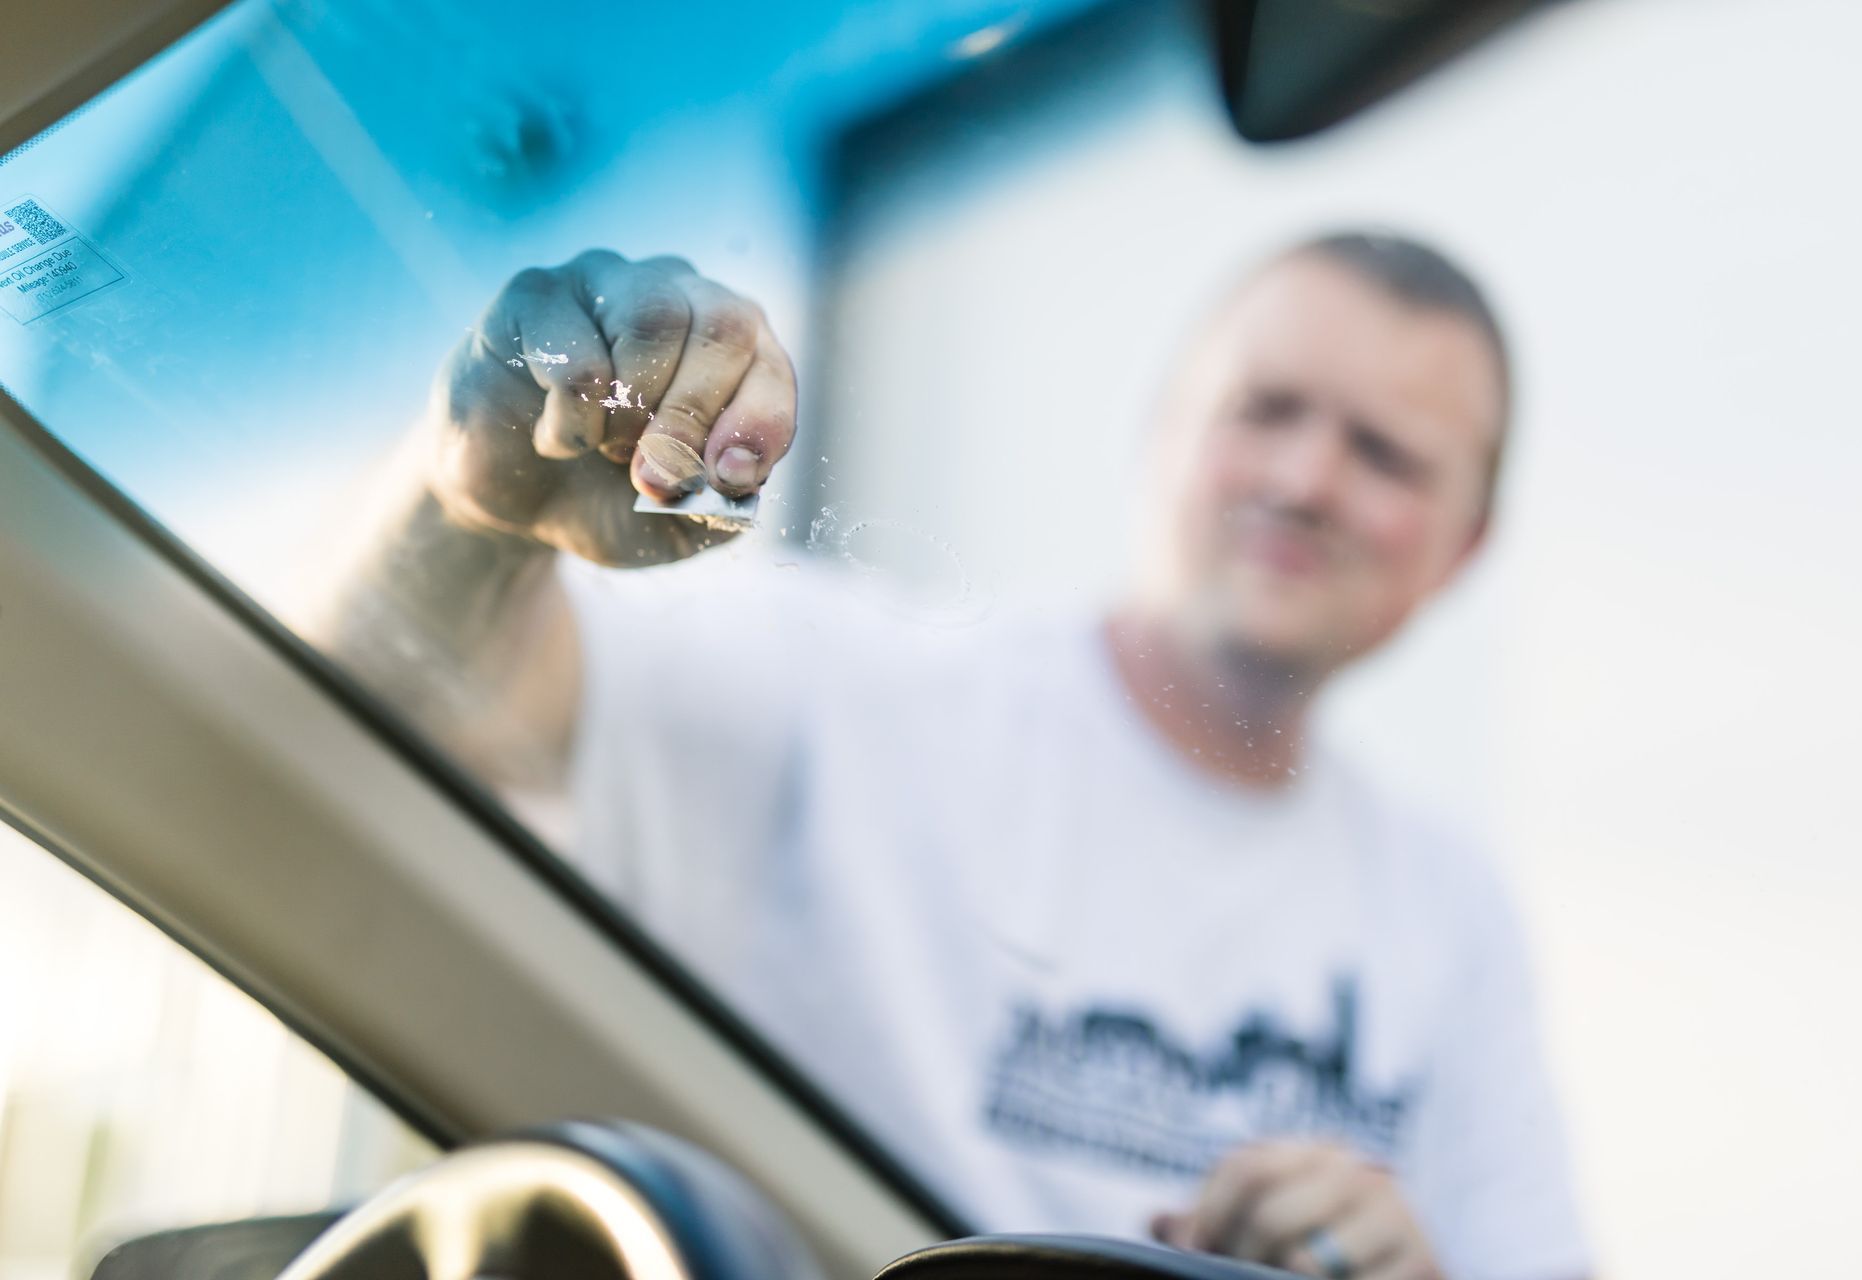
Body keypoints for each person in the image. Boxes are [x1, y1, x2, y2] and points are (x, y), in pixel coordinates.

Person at [313, 233, 1589, 1280]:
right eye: (1266, 410)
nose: (1308, 476)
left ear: (1464, 546)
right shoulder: (835, 687)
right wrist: (473, 503)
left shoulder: (1447, 909)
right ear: (1165, 431)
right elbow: (380, 711)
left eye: (1385, 455)